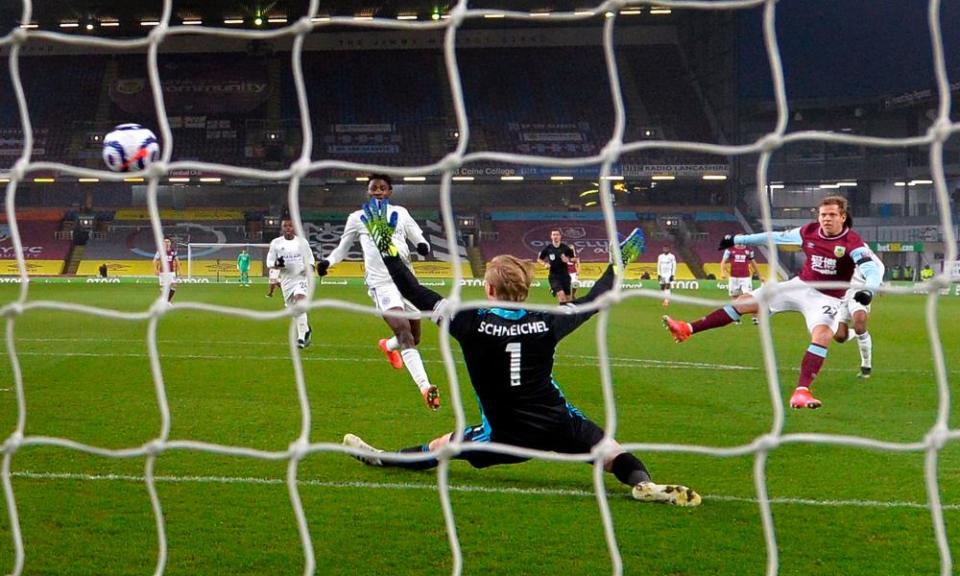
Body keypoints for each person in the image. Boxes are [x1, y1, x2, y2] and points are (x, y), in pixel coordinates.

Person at [344, 200, 700, 506]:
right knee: (610, 452)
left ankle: (382, 459)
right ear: (526, 291)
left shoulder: (468, 321)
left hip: (503, 436)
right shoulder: (547, 321)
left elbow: (415, 290)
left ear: (488, 288)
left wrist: (387, 250)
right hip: (556, 423)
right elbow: (594, 302)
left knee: (441, 446)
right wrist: (616, 267)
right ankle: (642, 483)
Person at [662, 196, 882, 410]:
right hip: (799, 286)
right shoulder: (808, 231)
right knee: (744, 302)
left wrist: (868, 292)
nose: (826, 219)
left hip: (828, 298)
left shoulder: (852, 242)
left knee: (823, 335)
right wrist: (737, 240)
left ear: (842, 217)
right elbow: (774, 237)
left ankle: (802, 391)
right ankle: (687, 329)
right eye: (823, 214)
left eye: (832, 215)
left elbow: (870, 269)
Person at [316, 174, 440, 410]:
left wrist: (423, 246)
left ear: (390, 192)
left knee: (415, 337)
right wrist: (328, 263)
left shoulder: (400, 213)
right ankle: (426, 388)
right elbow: (342, 248)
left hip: (407, 282)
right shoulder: (357, 218)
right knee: (404, 332)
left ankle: (387, 346)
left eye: (382, 188)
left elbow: (417, 235)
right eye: (373, 189)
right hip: (380, 283)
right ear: (368, 192)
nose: (378, 192)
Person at [833, 245, 884, 379]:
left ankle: (866, 366)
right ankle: (854, 332)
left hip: (858, 292)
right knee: (839, 337)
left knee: (860, 324)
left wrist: (877, 283)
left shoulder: (859, 246)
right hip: (840, 294)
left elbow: (879, 265)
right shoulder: (826, 244)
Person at [266, 217, 314, 349]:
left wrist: (310, 268)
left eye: (290, 226)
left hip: (301, 277)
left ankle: (301, 338)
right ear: (282, 228)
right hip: (286, 279)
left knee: (300, 303)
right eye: (285, 226)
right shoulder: (276, 243)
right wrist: (276, 265)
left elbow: (310, 260)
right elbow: (269, 262)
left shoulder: (302, 242)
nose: (288, 228)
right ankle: (307, 330)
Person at [719, 243, 761, 325]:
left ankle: (755, 318)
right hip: (733, 277)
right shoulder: (729, 250)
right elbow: (723, 262)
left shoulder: (749, 250)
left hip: (745, 277)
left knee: (750, 297)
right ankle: (736, 318)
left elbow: (753, 262)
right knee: (735, 297)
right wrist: (723, 272)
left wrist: (760, 275)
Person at [538, 230, 575, 304]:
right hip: (554, 276)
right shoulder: (548, 248)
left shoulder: (565, 248)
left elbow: (574, 259)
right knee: (562, 298)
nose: (555, 236)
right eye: (554, 235)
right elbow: (539, 259)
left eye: (557, 235)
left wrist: (568, 259)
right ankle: (562, 315)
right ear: (551, 237)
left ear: (560, 236)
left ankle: (567, 314)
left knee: (568, 300)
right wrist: (545, 264)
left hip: (565, 276)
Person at [153, 238, 180, 303]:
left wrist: (180, 270)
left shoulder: (173, 251)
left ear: (170, 243)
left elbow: (177, 260)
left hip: (171, 272)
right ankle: (164, 302)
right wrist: (155, 269)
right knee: (164, 288)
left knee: (174, 285)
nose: (167, 243)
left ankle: (168, 301)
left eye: (168, 241)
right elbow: (154, 260)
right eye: (165, 242)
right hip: (163, 272)